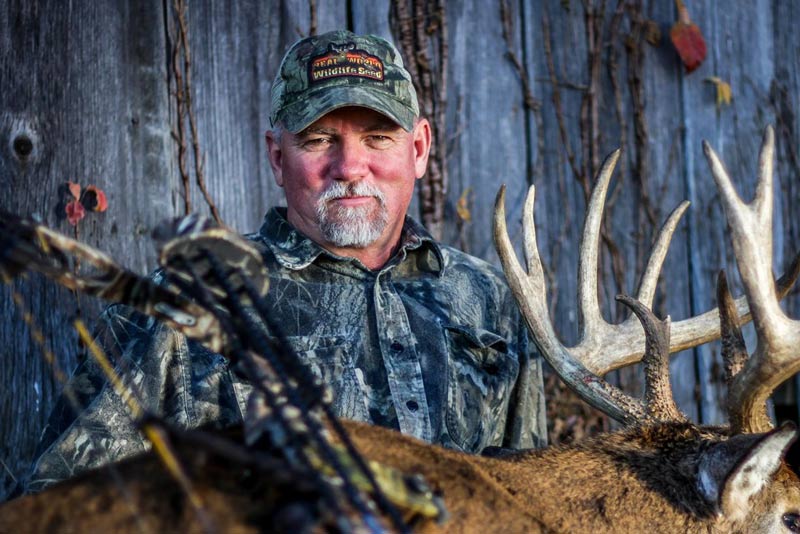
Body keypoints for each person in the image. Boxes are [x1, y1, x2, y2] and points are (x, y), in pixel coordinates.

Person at [22, 30, 547, 494]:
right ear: (278, 156)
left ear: (419, 148)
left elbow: (534, 495)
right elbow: (59, 502)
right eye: (319, 140)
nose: (350, 167)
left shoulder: (490, 300)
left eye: (377, 138)